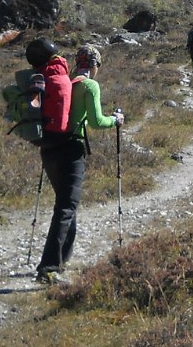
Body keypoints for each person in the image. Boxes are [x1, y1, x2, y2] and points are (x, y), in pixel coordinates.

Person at [25, 38, 122, 283]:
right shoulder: (89, 86)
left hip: (49, 148)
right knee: (66, 208)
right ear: (94, 65)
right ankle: (48, 268)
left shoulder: (65, 82)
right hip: (71, 150)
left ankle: (61, 260)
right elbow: (97, 122)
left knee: (67, 205)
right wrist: (116, 120)